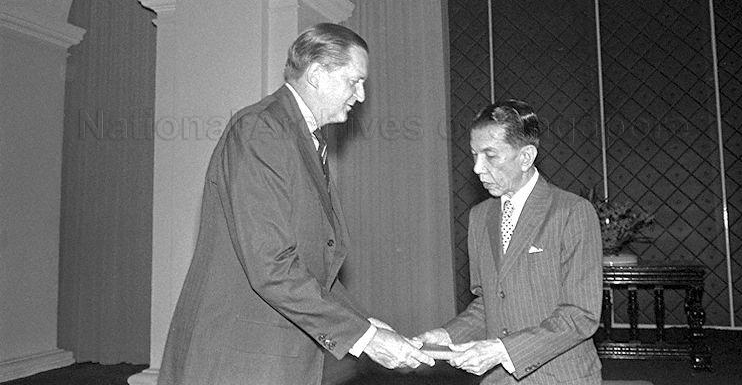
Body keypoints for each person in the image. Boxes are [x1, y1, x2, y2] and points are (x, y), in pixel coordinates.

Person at [157, 23, 434, 385]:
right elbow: (271, 264)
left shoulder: (300, 137)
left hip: (271, 357)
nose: (362, 95)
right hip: (240, 359)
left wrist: (363, 325)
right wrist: (364, 338)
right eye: (354, 81)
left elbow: (311, 266)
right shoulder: (261, 129)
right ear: (317, 74)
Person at [415, 99, 603, 384]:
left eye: (490, 155)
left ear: (526, 157)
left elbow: (581, 314)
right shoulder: (480, 216)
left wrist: (504, 350)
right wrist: (447, 335)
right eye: (474, 155)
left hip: (561, 378)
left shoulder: (571, 212)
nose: (477, 168)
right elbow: (488, 304)